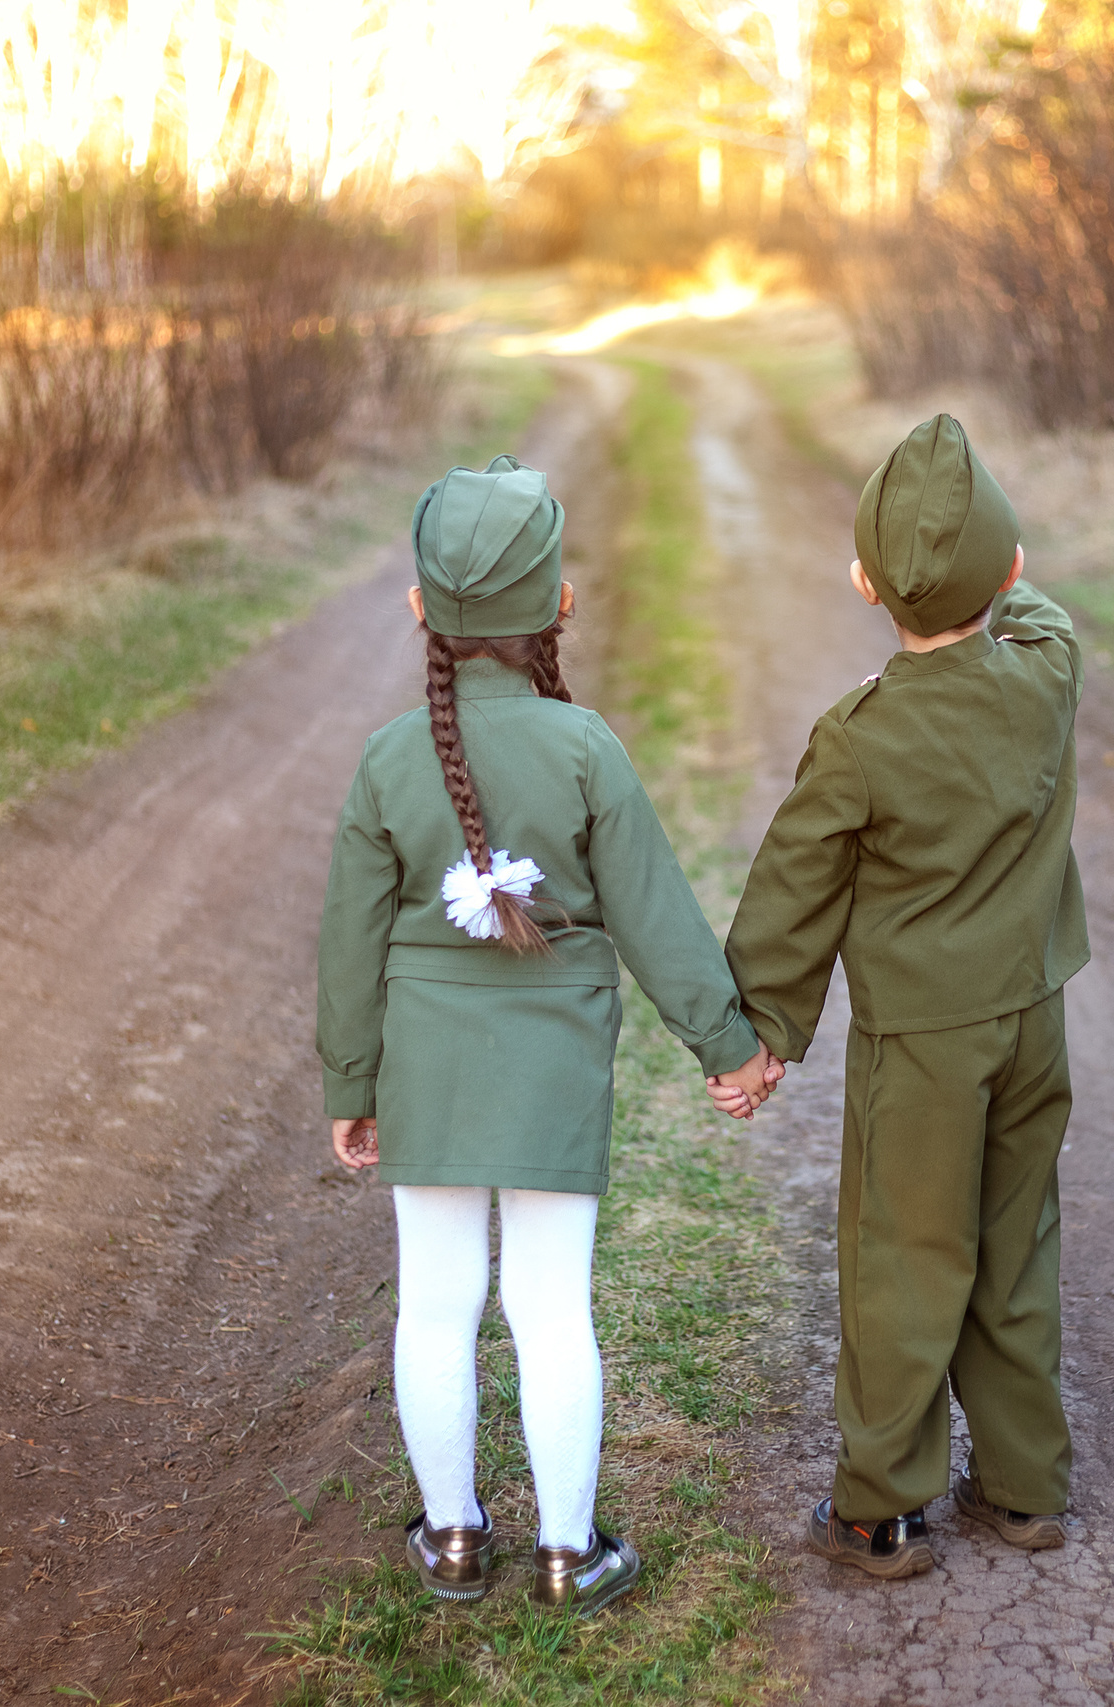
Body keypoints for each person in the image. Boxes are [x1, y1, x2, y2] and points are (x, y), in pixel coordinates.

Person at [318, 455, 777, 1615]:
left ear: (418, 606)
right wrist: (728, 1047)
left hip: (425, 1065)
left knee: (435, 1303)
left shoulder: (387, 758)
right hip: (554, 1064)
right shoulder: (588, 750)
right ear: (559, 606)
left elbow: (348, 944)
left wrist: (351, 1084)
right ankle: (569, 1554)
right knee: (550, 1305)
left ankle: (453, 1538)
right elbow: (658, 917)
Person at [715, 413, 1088, 1580]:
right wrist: (997, 572)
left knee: (903, 1257)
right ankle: (1025, 1488)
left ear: (864, 584)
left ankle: (879, 1509)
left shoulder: (858, 739)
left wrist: (762, 1031)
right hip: (1031, 1022)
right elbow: (1032, 608)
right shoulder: (1046, 674)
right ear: (1009, 568)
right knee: (1015, 1248)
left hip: (922, 1044)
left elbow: (794, 890)